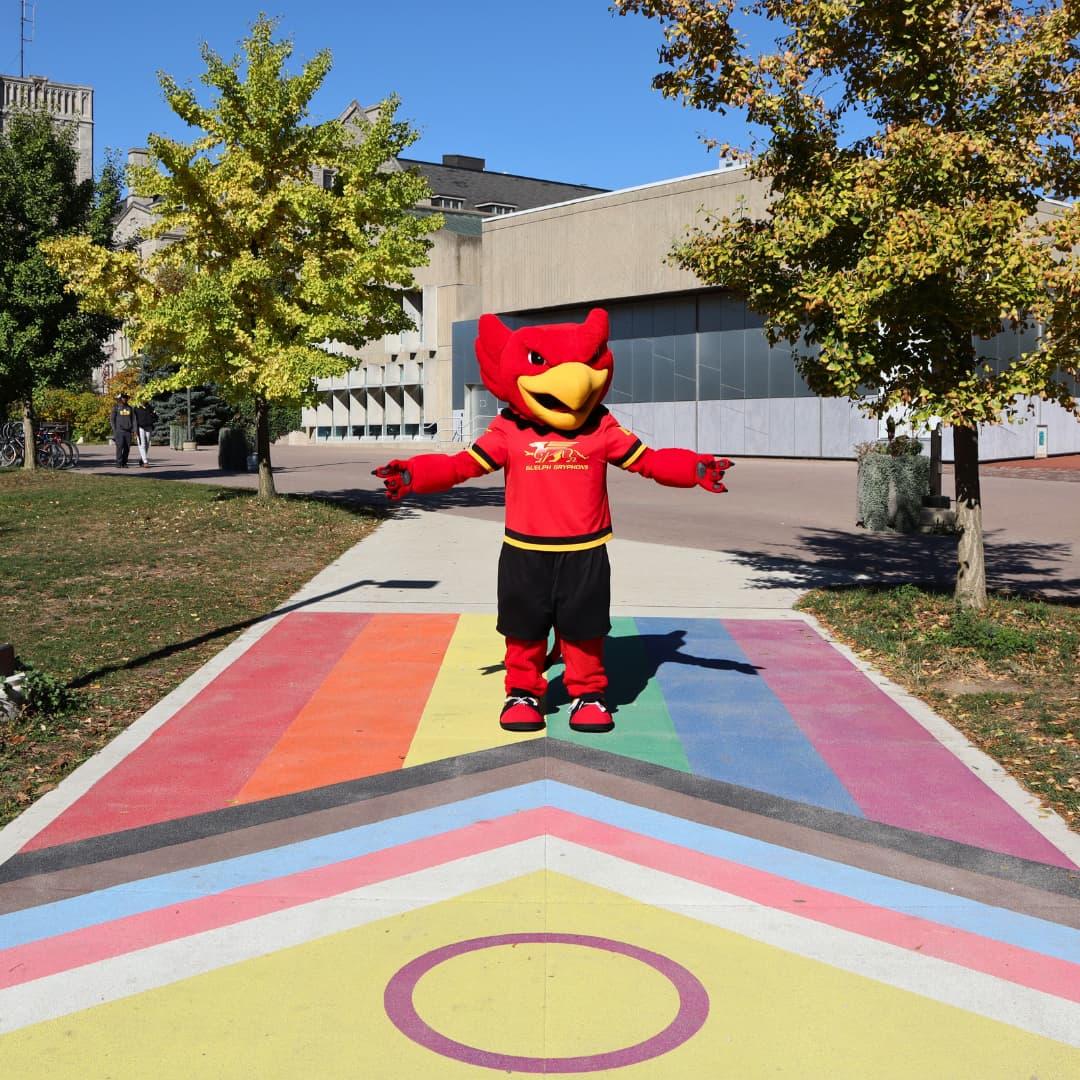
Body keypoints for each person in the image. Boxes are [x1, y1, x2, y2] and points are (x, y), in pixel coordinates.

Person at [374, 308, 733, 735]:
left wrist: (692, 470)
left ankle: (589, 694)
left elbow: (649, 462)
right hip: (526, 550)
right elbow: (464, 465)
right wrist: (414, 474)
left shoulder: (601, 426)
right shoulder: (509, 429)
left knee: (585, 629)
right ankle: (523, 692)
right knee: (522, 627)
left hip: (585, 551)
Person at [110, 392, 137, 468]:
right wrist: (114, 430)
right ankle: (118, 463)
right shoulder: (116, 407)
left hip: (128, 431)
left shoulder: (130, 408)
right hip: (119, 431)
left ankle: (124, 463)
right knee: (119, 447)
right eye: (123, 398)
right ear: (120, 399)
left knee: (127, 448)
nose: (125, 399)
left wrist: (135, 430)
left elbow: (134, 420)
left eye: (126, 398)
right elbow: (112, 419)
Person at [134, 402, 158, 467]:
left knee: (147, 444)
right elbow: (134, 419)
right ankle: (145, 461)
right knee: (142, 444)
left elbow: (156, 417)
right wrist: (135, 430)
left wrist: (151, 419)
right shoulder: (136, 408)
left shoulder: (150, 407)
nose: (143, 401)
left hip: (149, 427)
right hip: (140, 428)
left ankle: (142, 459)